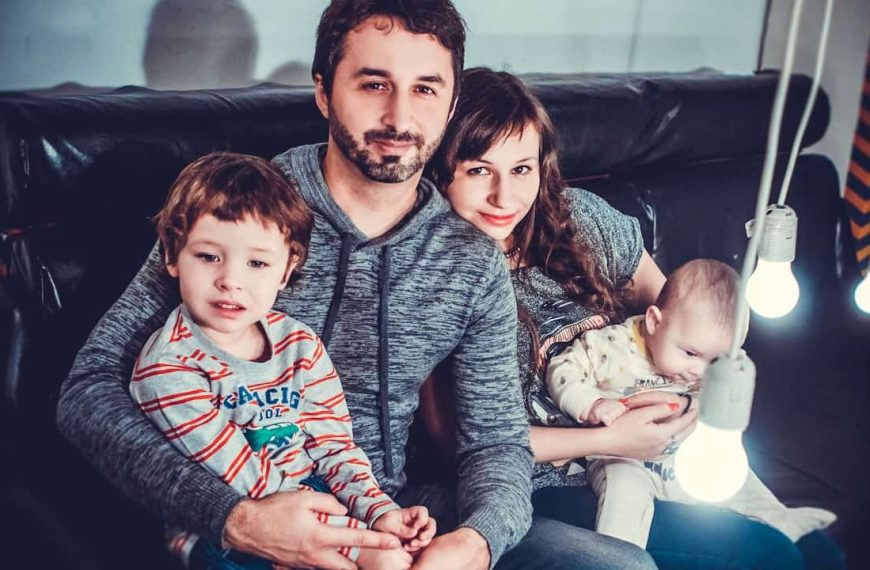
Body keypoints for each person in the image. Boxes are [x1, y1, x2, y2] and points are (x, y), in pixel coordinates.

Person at [57, 2, 654, 569]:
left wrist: (478, 540)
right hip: (240, 516)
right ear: (323, 90)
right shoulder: (242, 211)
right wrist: (236, 517)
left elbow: (494, 443)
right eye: (374, 83)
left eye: (425, 89)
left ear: (449, 108)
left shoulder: (471, 261)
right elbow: (87, 393)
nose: (399, 118)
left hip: (389, 512)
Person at [425, 66, 846, 569]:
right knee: (770, 554)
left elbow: (681, 317)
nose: (504, 197)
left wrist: (693, 403)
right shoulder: (438, 275)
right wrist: (610, 439)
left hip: (655, 452)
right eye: (478, 170)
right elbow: (457, 442)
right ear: (440, 170)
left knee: (818, 551)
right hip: (544, 484)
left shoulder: (580, 219)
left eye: (521, 169)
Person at [130, 152, 435, 569]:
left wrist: (378, 512)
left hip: (308, 491)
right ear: (171, 255)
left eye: (257, 262)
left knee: (394, 557)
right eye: (208, 256)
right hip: (227, 521)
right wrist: (346, 535)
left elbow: (334, 446)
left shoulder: (299, 344)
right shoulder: (168, 367)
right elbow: (234, 472)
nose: (231, 280)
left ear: (287, 269)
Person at [547, 257, 835, 549]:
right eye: (690, 353)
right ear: (654, 322)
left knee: (738, 476)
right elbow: (563, 369)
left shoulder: (701, 361)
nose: (700, 371)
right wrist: (591, 403)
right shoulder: (612, 346)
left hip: (682, 455)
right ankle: (617, 557)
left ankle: (779, 519)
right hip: (622, 455)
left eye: (715, 361)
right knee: (625, 495)